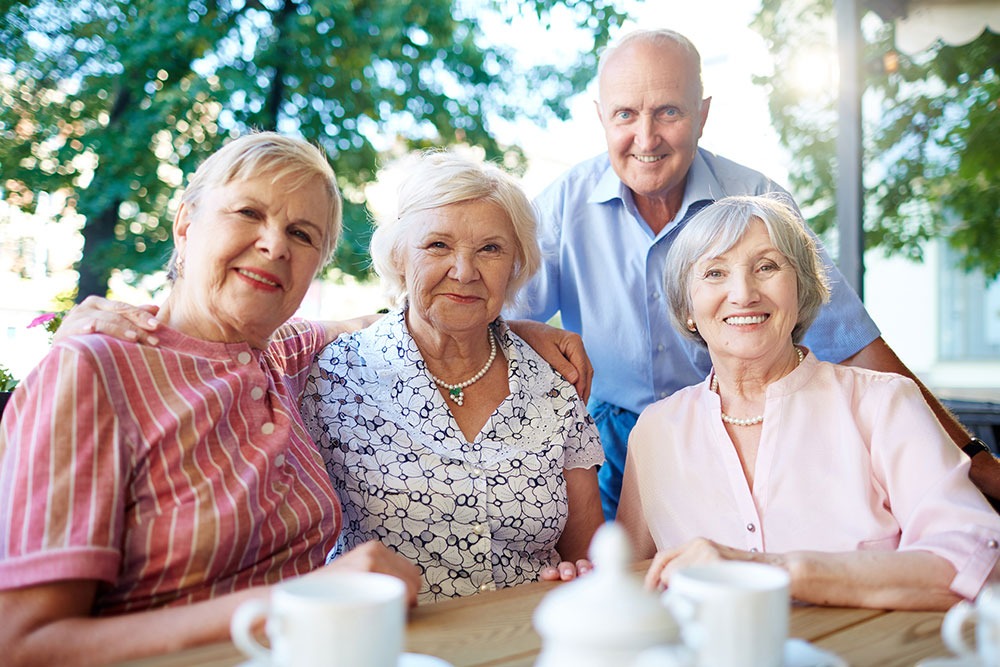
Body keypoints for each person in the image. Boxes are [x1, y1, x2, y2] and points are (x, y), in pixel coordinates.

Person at [509, 28, 1000, 519]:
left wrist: (971, 458)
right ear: (601, 117)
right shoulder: (560, 207)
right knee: (625, 579)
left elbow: (852, 342)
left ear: (702, 115)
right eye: (625, 114)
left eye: (669, 112)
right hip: (611, 442)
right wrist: (527, 329)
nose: (646, 137)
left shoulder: (758, 200)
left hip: (744, 430)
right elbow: (492, 321)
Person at [0, 132, 420, 666]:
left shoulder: (277, 353)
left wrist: (522, 336)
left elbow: (377, 324)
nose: (275, 245)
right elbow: (22, 645)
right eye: (248, 212)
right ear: (185, 224)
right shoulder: (94, 370)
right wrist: (296, 602)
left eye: (301, 233)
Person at [617, 194, 1000, 610]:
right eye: (714, 273)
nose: (743, 293)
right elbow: (626, 579)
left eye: (767, 267)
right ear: (687, 307)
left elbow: (979, 560)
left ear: (800, 289)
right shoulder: (654, 430)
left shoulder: (885, 404)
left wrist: (777, 570)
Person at [301, 151, 605, 602]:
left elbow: (589, 555)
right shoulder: (332, 377)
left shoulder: (553, 384)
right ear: (400, 256)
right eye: (438, 246)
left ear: (515, 265)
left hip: (523, 639)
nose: (464, 272)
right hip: (391, 643)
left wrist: (580, 577)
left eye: (490, 249)